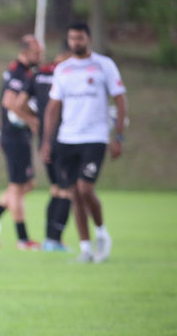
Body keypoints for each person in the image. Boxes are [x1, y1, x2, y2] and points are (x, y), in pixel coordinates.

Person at [40, 22, 128, 263]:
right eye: (72, 38)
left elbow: (120, 100)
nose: (75, 42)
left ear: (88, 39)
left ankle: (101, 233)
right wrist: (47, 141)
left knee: (85, 188)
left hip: (95, 137)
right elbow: (53, 107)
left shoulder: (104, 65)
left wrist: (118, 136)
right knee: (74, 194)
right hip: (67, 138)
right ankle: (86, 248)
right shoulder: (63, 69)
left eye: (79, 38)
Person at [0, 35, 43, 250]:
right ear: (25, 51)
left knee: (26, 185)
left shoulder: (21, 71)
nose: (40, 56)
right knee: (17, 187)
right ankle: (23, 239)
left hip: (14, 135)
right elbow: (8, 102)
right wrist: (32, 120)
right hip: (15, 137)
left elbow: (2, 102)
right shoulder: (19, 72)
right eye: (37, 53)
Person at [24, 46, 73, 251]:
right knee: (67, 190)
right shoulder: (68, 76)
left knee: (55, 189)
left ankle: (49, 239)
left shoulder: (39, 74)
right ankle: (55, 240)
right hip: (64, 139)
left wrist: (34, 120)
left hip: (44, 141)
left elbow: (19, 102)